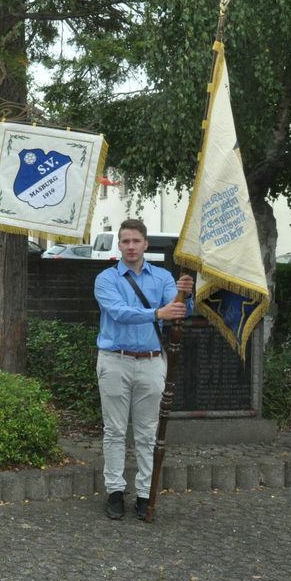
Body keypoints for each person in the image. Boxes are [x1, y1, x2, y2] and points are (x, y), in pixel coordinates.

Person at [94, 219, 193, 520]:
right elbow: (119, 313)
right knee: (114, 431)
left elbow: (177, 313)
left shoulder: (163, 278)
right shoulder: (106, 279)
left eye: (136, 241)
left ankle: (144, 493)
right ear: (119, 245)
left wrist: (183, 296)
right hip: (114, 360)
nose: (131, 246)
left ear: (146, 244)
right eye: (125, 241)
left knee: (148, 433)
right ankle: (114, 491)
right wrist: (157, 312)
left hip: (151, 362)